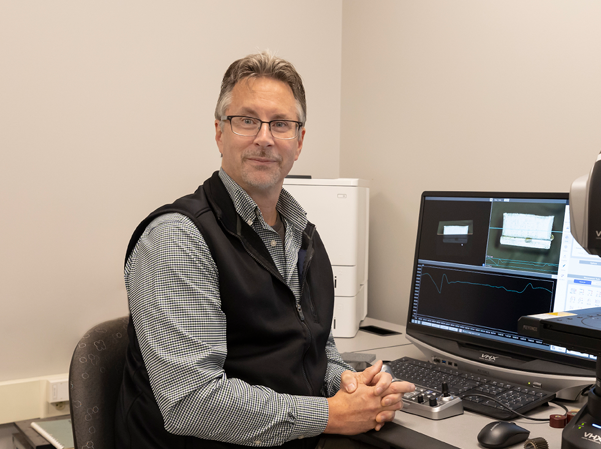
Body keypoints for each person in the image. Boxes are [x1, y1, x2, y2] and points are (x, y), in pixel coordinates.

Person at [115, 52, 414, 449]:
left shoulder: (303, 234)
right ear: (220, 132)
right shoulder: (178, 239)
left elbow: (314, 347)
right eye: (247, 120)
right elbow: (191, 402)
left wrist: (351, 385)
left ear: (299, 141)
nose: (264, 138)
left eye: (281, 124)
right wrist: (332, 414)